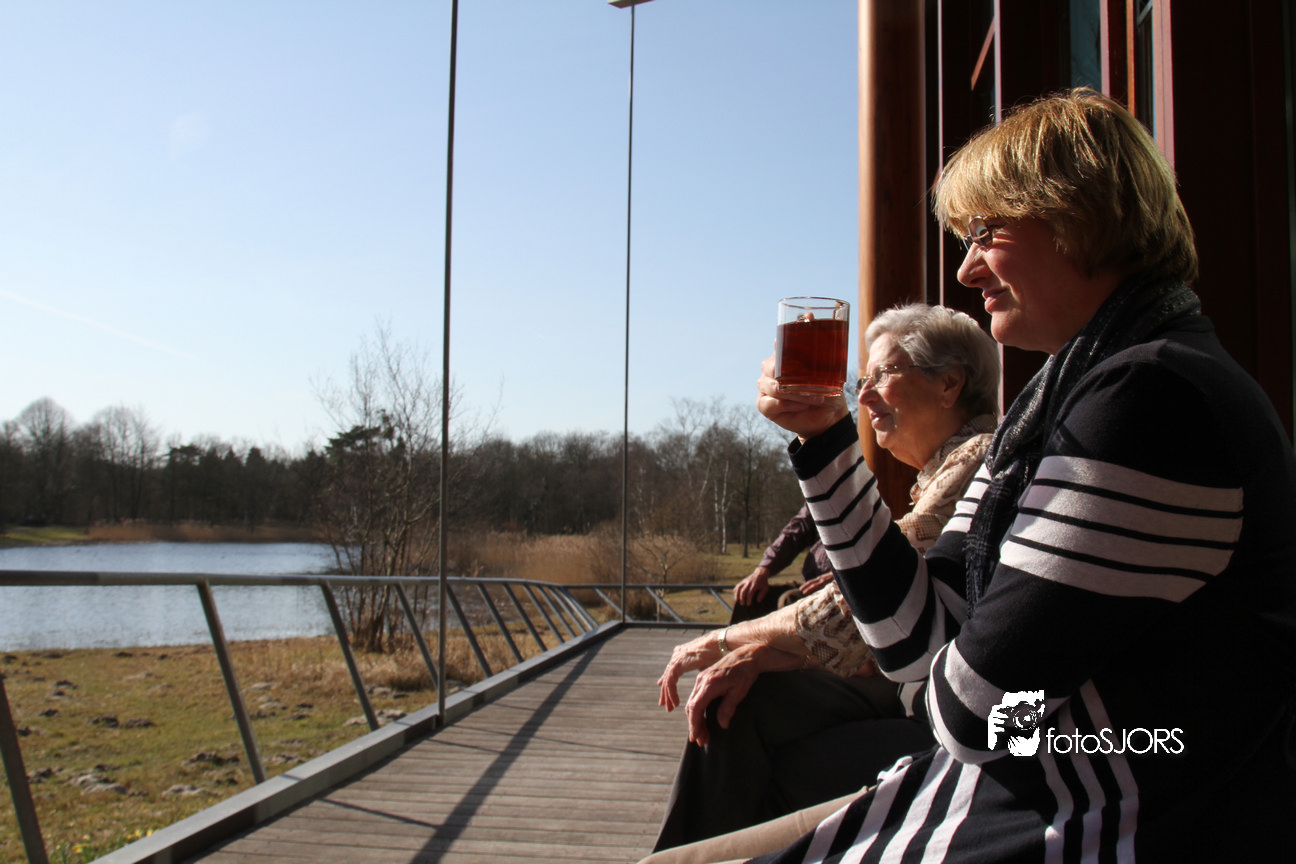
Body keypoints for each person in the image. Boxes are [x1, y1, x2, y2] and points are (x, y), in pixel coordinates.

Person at [640, 89, 1296, 864]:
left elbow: (971, 713)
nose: (965, 266)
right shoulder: (1055, 408)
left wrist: (952, 669)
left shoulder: (1151, 400)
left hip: (1090, 823)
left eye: (987, 232)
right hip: (1008, 796)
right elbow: (915, 636)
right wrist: (823, 442)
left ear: (1078, 213)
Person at [653, 303, 1000, 850]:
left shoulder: (979, 463)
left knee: (759, 750)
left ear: (949, 384)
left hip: (954, 726)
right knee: (740, 701)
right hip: (911, 693)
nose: (864, 396)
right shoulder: (943, 473)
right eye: (862, 381)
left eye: (883, 375)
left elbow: (871, 610)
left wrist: (725, 639)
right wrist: (760, 653)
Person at [728, 502, 832, 624]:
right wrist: (763, 569)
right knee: (748, 597)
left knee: (791, 600)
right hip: (811, 585)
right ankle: (729, 637)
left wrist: (839, 579)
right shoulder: (823, 497)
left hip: (843, 591)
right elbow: (795, 532)